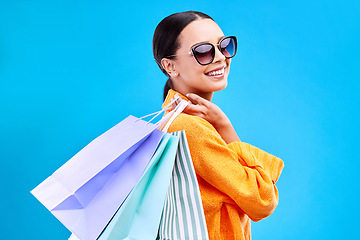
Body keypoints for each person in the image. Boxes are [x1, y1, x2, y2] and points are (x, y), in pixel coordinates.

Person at [153, 11, 284, 240]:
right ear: (170, 66)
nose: (221, 58)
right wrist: (226, 127)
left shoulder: (171, 120)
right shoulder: (191, 129)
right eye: (203, 51)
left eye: (224, 46)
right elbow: (261, 200)